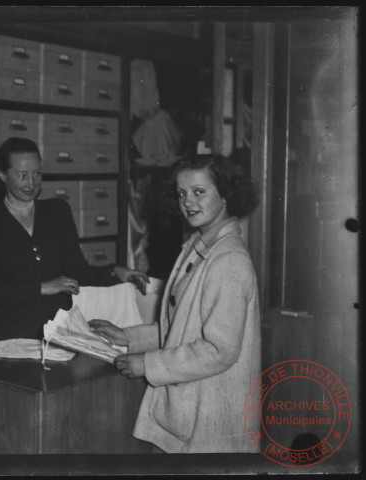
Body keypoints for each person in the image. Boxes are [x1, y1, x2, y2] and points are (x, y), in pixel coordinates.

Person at [89, 153, 261, 453]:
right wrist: (128, 337)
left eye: (199, 191)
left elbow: (218, 351)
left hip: (211, 413)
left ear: (225, 195)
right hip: (191, 405)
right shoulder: (199, 244)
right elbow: (183, 327)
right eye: (182, 193)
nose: (188, 202)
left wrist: (147, 363)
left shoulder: (229, 260)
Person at [0, 137, 148, 348]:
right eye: (22, 175)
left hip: (59, 335)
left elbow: (78, 271)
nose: (31, 183)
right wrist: (43, 287)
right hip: (7, 338)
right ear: (2, 174)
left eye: (37, 174)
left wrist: (116, 272)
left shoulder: (57, 212)